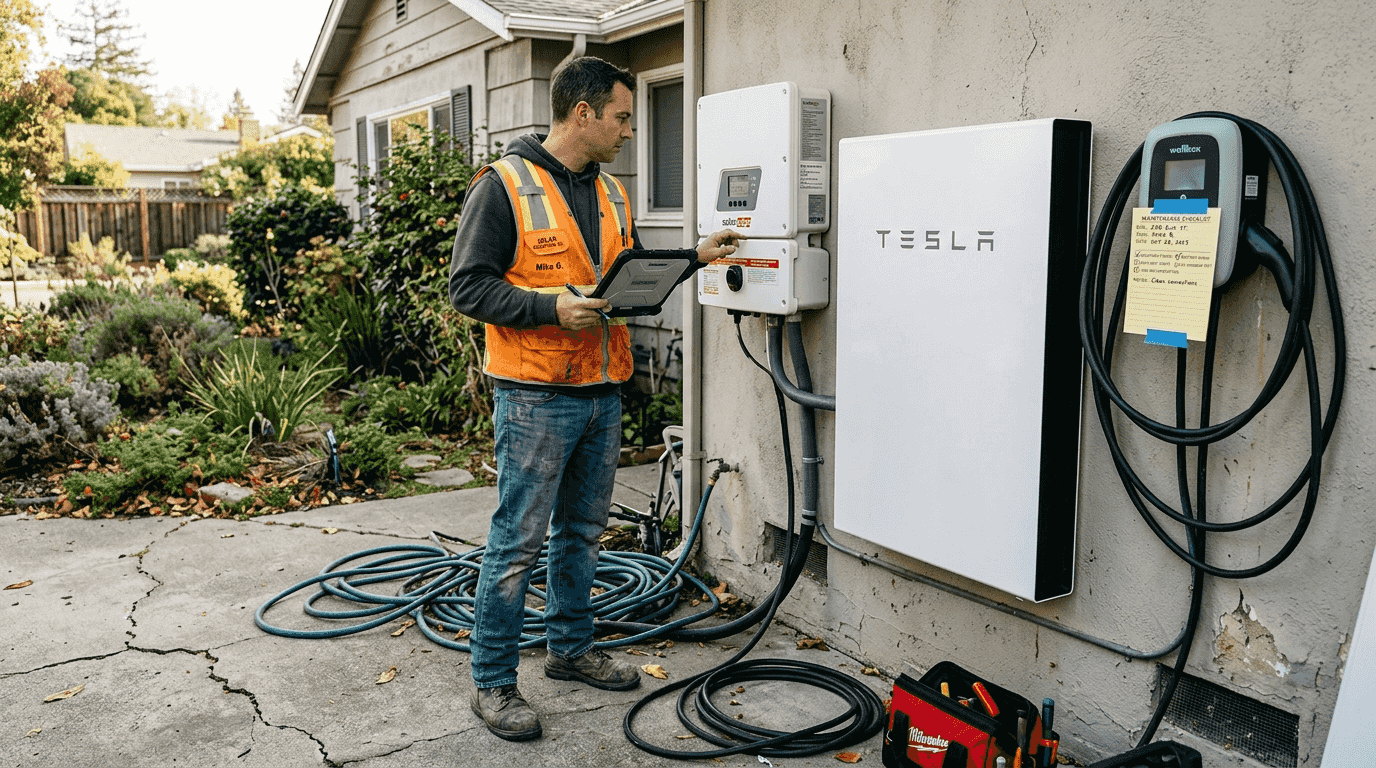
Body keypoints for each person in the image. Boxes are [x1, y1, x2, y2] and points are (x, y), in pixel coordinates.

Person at [448, 55, 741, 742]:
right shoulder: (503, 186)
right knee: (516, 543)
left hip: (601, 389)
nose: (630, 131)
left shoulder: (610, 190)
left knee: (580, 533)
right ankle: (492, 683)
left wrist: (693, 257)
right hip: (534, 396)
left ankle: (570, 650)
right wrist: (552, 308)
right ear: (583, 113)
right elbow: (468, 287)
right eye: (623, 117)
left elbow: (626, 268)